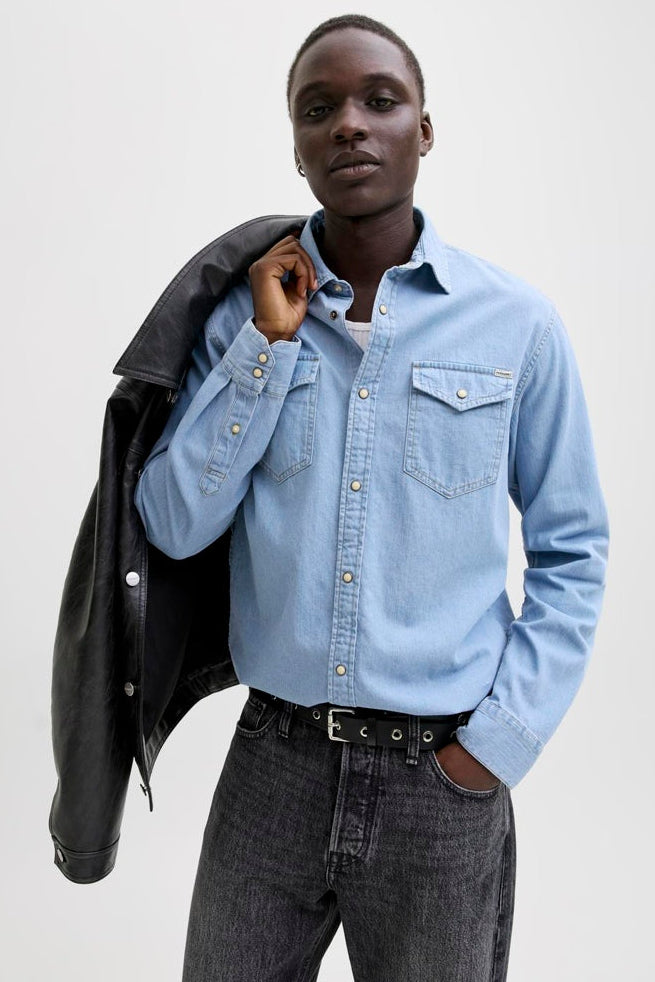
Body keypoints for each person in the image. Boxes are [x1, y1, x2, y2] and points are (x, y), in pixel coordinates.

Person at [133, 13, 609, 981]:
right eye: (318, 109)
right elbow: (173, 524)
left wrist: (493, 748)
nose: (348, 123)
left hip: (441, 785)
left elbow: (573, 551)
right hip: (272, 765)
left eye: (379, 101)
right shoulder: (243, 319)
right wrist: (266, 347)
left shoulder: (516, 325)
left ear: (422, 130)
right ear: (297, 148)